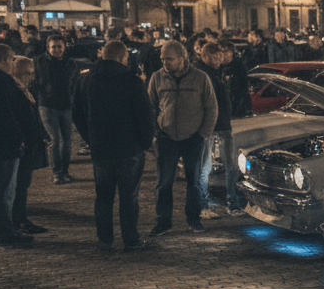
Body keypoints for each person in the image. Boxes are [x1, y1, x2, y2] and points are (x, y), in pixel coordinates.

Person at [75, 41, 156, 251]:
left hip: (100, 148)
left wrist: (89, 137)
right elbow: (145, 116)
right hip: (129, 148)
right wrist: (145, 142)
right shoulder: (131, 81)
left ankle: (105, 240)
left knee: (103, 197)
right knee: (128, 198)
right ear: (123, 57)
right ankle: (131, 239)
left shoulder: (86, 80)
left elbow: (77, 113)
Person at [148, 42, 218, 235]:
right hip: (166, 138)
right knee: (164, 183)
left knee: (193, 182)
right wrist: (156, 132)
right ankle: (164, 221)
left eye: (169, 59)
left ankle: (193, 219)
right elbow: (151, 106)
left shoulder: (200, 78)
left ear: (182, 59)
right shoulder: (157, 78)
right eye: (162, 59)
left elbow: (211, 107)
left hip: (193, 138)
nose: (165, 63)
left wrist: (203, 134)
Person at [0, 44, 34, 246]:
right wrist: (18, 139)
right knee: (3, 190)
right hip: (3, 146)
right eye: (12, 60)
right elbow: (5, 115)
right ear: (6, 59)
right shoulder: (0, 81)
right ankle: (3, 232)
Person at [194, 42, 240, 217]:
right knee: (206, 167)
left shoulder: (217, 72)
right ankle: (204, 206)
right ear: (204, 57)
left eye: (220, 57)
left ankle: (231, 203)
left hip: (222, 124)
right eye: (214, 57)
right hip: (211, 126)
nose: (218, 60)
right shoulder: (203, 74)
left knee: (229, 165)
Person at [33, 34, 81, 184]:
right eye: (54, 47)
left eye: (59, 46)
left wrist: (73, 99)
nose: (57, 49)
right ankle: (57, 173)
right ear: (48, 48)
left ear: (64, 47)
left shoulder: (71, 63)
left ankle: (64, 171)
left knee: (67, 141)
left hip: (66, 105)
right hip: (47, 105)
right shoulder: (39, 62)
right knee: (55, 140)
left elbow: (75, 83)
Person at [9, 56, 49, 235]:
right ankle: (17, 221)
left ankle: (20, 219)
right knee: (18, 186)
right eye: (29, 73)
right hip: (21, 147)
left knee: (22, 185)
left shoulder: (23, 89)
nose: (32, 77)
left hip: (27, 146)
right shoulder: (14, 91)